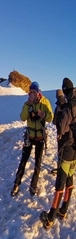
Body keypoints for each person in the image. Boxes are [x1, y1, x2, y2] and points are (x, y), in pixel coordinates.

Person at [41, 77, 76, 229]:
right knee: (70, 178)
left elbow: (61, 127)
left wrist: (61, 109)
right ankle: (64, 211)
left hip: (67, 148)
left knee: (60, 183)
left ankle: (50, 217)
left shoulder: (69, 105)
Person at [11, 81, 53, 197]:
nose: (32, 94)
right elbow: (23, 117)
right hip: (29, 136)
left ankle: (33, 185)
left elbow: (51, 118)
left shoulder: (45, 102)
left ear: (38, 92)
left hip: (40, 136)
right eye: (31, 92)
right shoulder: (27, 104)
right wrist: (28, 105)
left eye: (34, 92)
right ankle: (16, 183)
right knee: (23, 161)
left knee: (37, 163)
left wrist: (43, 115)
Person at [50, 89, 67, 175]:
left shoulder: (59, 106)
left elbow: (55, 121)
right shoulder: (67, 104)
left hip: (60, 132)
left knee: (61, 150)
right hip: (67, 132)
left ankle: (60, 168)